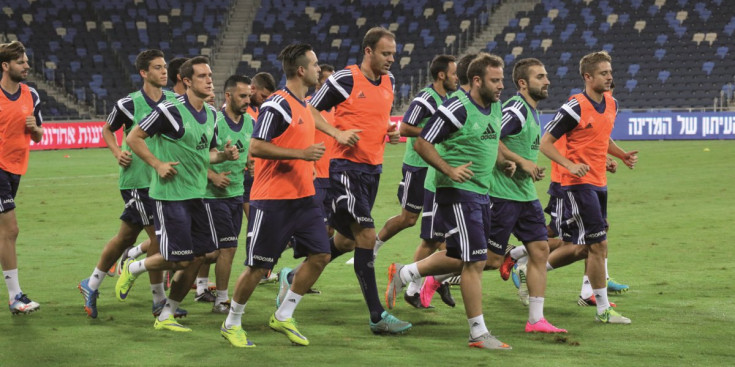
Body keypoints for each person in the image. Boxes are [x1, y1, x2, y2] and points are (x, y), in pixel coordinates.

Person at [219, 43, 334, 347]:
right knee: (258, 266)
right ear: (300, 70)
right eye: (314, 64)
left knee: (322, 254)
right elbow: (256, 147)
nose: (318, 69)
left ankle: (283, 315)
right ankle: (232, 322)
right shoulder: (277, 105)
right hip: (273, 201)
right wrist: (301, 155)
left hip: (304, 198)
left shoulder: (303, 105)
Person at [116, 56, 239, 332]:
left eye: (210, 75)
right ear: (186, 81)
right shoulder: (169, 110)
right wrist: (157, 164)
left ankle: (166, 315)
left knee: (202, 256)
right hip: (170, 196)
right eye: (202, 76)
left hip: (197, 195)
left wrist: (224, 155)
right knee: (182, 257)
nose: (209, 80)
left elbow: (205, 155)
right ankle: (132, 268)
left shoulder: (211, 115)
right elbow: (134, 138)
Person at [404, 53, 514, 349]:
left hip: (482, 192)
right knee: (475, 260)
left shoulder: (496, 106)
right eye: (495, 80)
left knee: (466, 255)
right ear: (477, 81)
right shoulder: (458, 107)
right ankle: (478, 333)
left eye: (502, 79)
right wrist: (449, 169)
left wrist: (504, 163)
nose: (501, 85)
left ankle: (408, 273)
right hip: (457, 192)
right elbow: (421, 141)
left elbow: (491, 142)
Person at [309, 26, 411, 334]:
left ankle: (296, 275)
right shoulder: (345, 79)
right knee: (366, 236)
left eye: (393, 53)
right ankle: (377, 316)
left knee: (347, 241)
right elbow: (309, 109)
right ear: (368, 51)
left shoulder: (389, 81)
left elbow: (376, 119)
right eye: (385, 53)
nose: (391, 59)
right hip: (345, 169)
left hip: (373, 169)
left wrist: (388, 133)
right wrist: (337, 133)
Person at [78, 49, 180, 319]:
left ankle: (92, 283)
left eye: (165, 66)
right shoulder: (129, 104)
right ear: (144, 73)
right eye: (157, 67)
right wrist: (116, 152)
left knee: (126, 236)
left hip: (163, 181)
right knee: (158, 238)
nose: (164, 71)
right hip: (138, 181)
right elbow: (108, 129)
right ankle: (159, 300)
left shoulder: (173, 100)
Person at [539, 50, 637, 324]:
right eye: (604, 73)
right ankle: (602, 309)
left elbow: (602, 137)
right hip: (577, 185)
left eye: (610, 72)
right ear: (588, 76)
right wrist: (569, 165)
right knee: (598, 244)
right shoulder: (574, 107)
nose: (609, 77)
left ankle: (533, 269)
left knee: (585, 247)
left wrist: (621, 155)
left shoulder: (611, 103)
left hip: (599, 183)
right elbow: (546, 143)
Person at [485, 58, 566, 333]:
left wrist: (524, 165)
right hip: (502, 194)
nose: (547, 81)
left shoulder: (532, 112)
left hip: (524, 194)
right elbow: (490, 135)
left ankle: (535, 320)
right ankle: (422, 275)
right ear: (523, 83)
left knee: (540, 249)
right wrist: (521, 163)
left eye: (546, 76)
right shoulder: (516, 109)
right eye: (540, 77)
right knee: (489, 259)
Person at [375, 55, 458, 308]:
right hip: (418, 165)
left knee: (437, 235)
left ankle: (424, 285)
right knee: (409, 219)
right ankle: (374, 247)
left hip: (435, 168)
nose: (457, 77)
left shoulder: (448, 100)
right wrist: (435, 132)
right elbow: (406, 128)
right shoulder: (425, 98)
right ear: (442, 75)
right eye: (454, 73)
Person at [418, 53, 477, 307]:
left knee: (451, 245)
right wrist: (449, 168)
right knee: (433, 240)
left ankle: (432, 283)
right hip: (441, 182)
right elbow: (414, 131)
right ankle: (412, 283)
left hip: (468, 187)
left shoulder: (477, 104)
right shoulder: (451, 103)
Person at [0, 40, 43, 315]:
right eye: (20, 62)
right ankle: (15, 296)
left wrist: (35, 127)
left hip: (16, 168)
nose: (26, 65)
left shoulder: (32, 95)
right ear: (5, 66)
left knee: (5, 231)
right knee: (10, 229)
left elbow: (39, 136)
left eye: (26, 61)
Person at [205, 75, 253, 313]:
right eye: (242, 96)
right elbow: (194, 154)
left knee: (212, 251)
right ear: (228, 96)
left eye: (249, 96)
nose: (247, 101)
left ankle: (184, 269)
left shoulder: (250, 122)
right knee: (228, 248)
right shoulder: (213, 121)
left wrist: (251, 164)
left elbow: (249, 154)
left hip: (237, 193)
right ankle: (221, 300)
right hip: (212, 197)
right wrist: (213, 176)